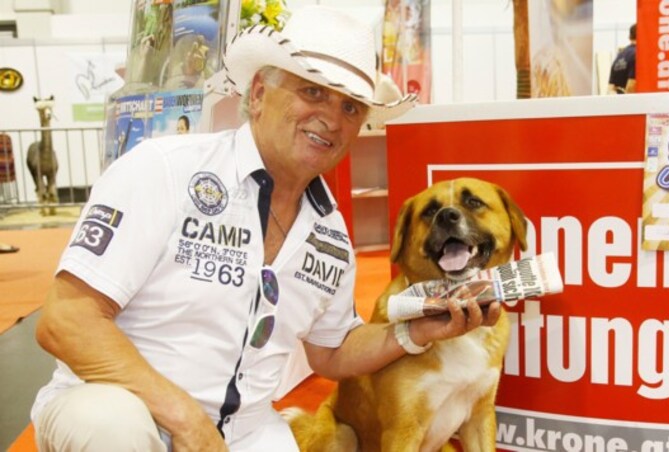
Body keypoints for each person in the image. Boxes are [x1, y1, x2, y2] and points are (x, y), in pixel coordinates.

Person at [30, 6, 502, 451]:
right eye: (312, 91)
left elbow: (333, 352)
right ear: (257, 93)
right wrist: (185, 419)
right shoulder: (163, 171)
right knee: (110, 423)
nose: (332, 119)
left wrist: (416, 331)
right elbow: (67, 320)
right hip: (121, 408)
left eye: (351, 107)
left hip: (244, 431)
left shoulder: (330, 235)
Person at [608, 23, 636, 95]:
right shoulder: (638, 54)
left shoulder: (620, 55)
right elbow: (631, 86)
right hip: (630, 102)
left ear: (629, 37)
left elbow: (611, 88)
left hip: (618, 102)